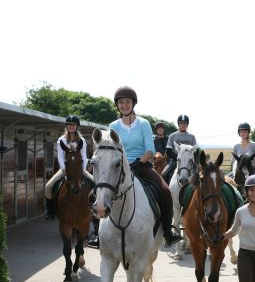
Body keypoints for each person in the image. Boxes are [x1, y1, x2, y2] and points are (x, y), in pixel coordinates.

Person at [88, 86, 182, 248]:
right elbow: (110, 148)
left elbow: (150, 149)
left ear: (133, 104)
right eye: (121, 102)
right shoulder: (114, 126)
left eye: (127, 102)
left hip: (141, 166)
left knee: (165, 191)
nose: (124, 105)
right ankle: (98, 234)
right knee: (92, 195)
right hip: (118, 168)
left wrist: (139, 161)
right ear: (117, 105)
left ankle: (168, 232)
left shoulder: (143, 124)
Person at [44, 115, 92, 220]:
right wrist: (63, 168)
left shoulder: (82, 140)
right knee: (48, 187)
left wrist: (82, 169)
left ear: (77, 126)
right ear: (66, 126)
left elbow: (84, 156)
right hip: (65, 168)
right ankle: (50, 211)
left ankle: (95, 213)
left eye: (73, 125)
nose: (71, 127)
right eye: (69, 125)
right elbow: (60, 156)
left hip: (80, 169)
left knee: (95, 183)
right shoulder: (61, 139)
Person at [162, 114, 197, 183]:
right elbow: (168, 151)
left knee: (198, 174)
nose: (183, 125)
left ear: (187, 124)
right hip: (176, 160)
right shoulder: (172, 136)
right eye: (181, 123)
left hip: (189, 161)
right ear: (178, 124)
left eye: (184, 123)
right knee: (164, 174)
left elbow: (195, 151)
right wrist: (179, 157)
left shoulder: (192, 136)